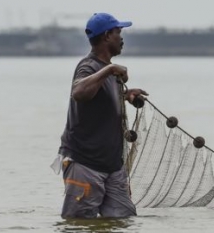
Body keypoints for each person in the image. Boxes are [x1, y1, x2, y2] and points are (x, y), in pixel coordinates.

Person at [56, 12, 148, 219]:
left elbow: (99, 99)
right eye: (118, 32)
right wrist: (110, 70)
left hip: (113, 167)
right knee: (78, 224)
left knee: (124, 221)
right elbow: (79, 92)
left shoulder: (107, 72)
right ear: (107, 36)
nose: (121, 38)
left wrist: (125, 95)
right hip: (85, 164)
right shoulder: (89, 66)